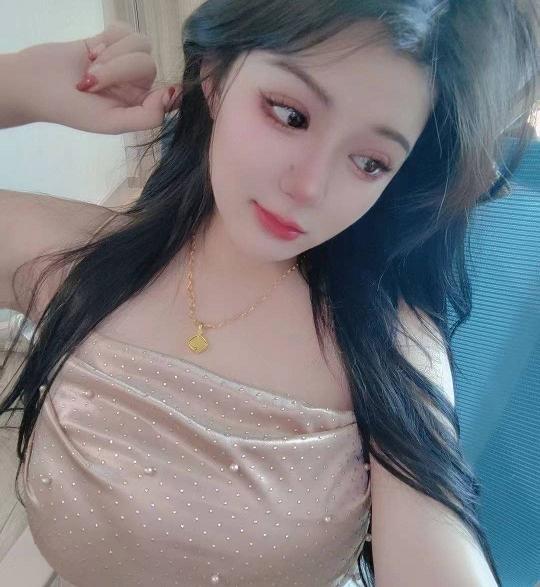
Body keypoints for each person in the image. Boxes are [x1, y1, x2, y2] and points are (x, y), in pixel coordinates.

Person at [0, 2, 537, 586]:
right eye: (290, 115)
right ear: (214, 77)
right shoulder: (74, 261)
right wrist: (16, 84)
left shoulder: (386, 343)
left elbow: (439, 551)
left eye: (369, 161)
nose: (308, 187)